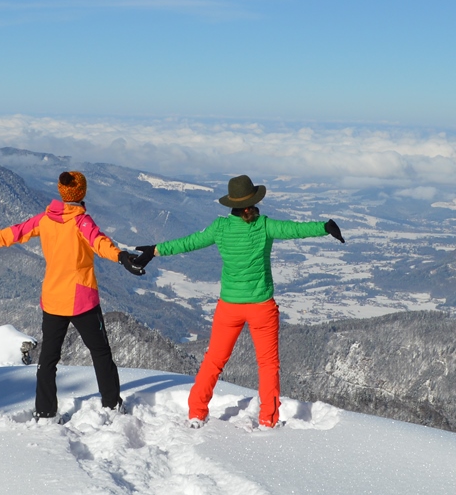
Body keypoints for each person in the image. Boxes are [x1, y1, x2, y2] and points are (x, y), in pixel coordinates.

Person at [134, 175, 344, 428]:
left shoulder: (220, 227)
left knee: (213, 361)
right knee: (267, 366)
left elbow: (188, 243)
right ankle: (268, 419)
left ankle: (196, 412)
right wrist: (325, 226)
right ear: (252, 203)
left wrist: (155, 250)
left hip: (228, 307)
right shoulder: (264, 225)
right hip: (262, 308)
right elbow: (294, 229)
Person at [0, 170, 147, 420]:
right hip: (82, 301)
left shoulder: (45, 219)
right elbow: (100, 243)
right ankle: (111, 404)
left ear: (62, 192)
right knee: (100, 353)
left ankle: (45, 410)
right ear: (82, 192)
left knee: (48, 360)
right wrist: (122, 257)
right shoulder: (82, 222)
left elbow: (13, 233)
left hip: (53, 300)